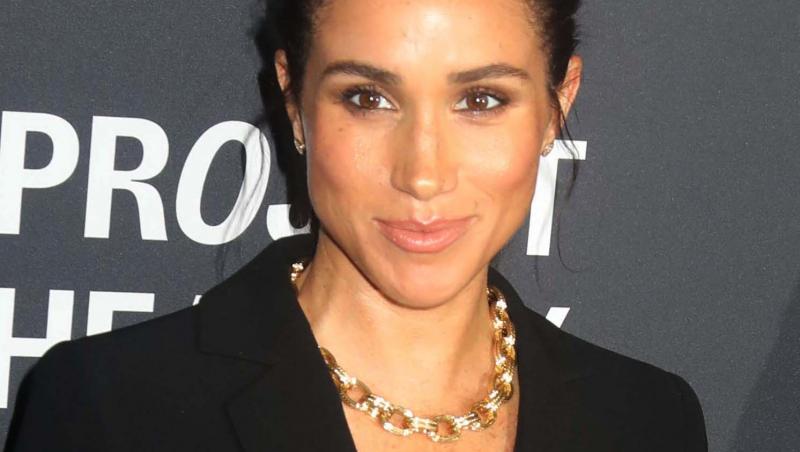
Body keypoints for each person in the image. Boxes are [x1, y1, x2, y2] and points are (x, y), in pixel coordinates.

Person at [4, 0, 708, 451]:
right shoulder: (112, 411)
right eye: (368, 98)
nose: (423, 173)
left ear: (558, 105)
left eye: (481, 100)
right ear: (295, 101)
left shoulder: (648, 420)